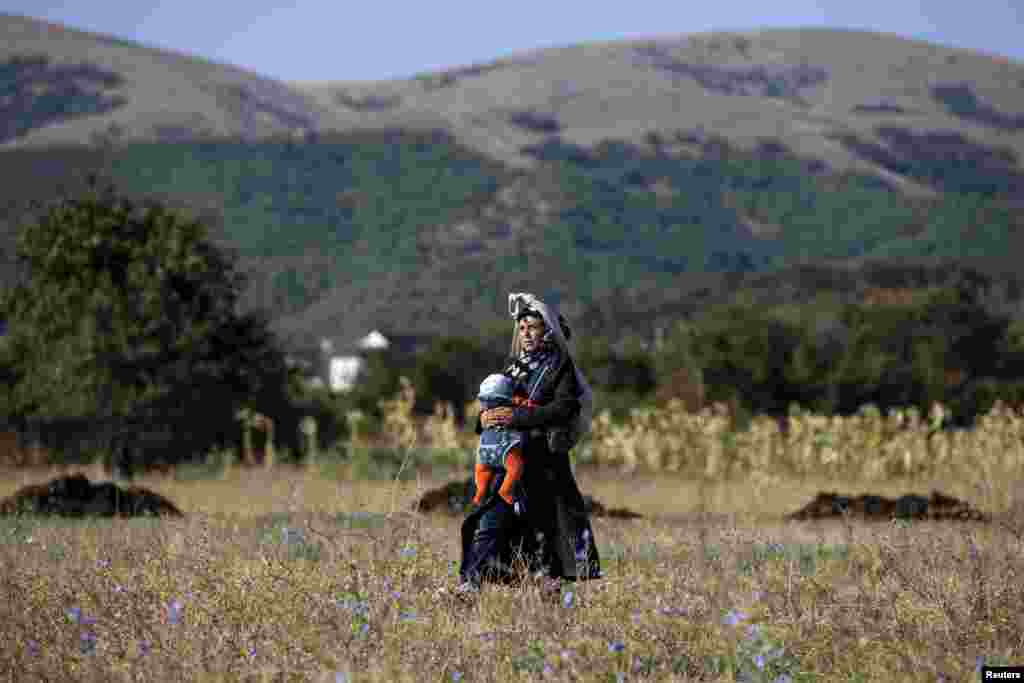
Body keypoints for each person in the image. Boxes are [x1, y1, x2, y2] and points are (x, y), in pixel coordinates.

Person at [455, 292, 602, 603]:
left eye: (533, 327)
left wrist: (518, 416)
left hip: (542, 465)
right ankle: (468, 586)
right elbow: (494, 407)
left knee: (545, 537)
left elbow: (564, 409)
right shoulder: (514, 368)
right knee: (488, 521)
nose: (526, 333)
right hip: (506, 462)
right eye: (522, 328)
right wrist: (484, 418)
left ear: (547, 331)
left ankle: (552, 603)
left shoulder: (560, 367)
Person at [471, 373, 538, 509]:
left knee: (482, 471)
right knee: (516, 467)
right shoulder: (513, 402)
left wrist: (482, 418)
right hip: (504, 449)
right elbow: (527, 407)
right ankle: (506, 489)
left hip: (485, 450)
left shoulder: (485, 410)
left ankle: (480, 491)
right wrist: (527, 404)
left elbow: (479, 426)